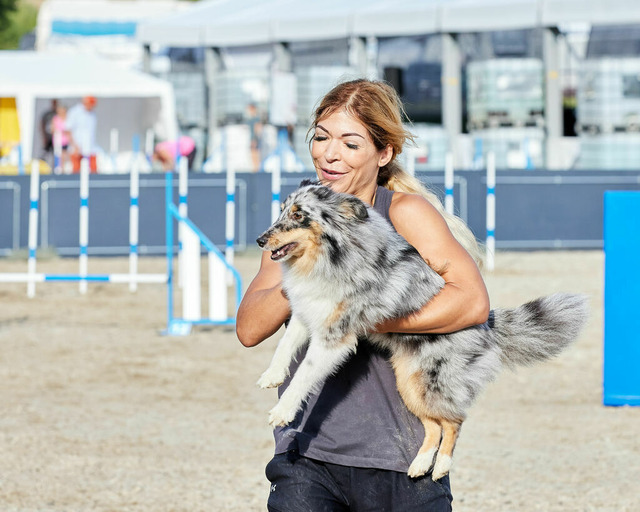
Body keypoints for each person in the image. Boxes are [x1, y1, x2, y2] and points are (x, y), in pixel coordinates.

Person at [236, 78, 490, 511]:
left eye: (350, 144)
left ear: (384, 153)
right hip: (308, 455)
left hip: (399, 459)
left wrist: (360, 316)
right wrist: (305, 273)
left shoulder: (405, 212)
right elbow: (249, 329)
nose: (329, 154)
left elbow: (472, 302)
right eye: (321, 138)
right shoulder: (297, 216)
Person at [66, 96, 98, 173]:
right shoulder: (75, 112)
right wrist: (74, 145)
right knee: (76, 172)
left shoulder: (92, 114)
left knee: (94, 171)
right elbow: (68, 130)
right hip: (77, 147)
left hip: (90, 147)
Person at [50, 104, 70, 172]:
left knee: (64, 155)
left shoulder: (67, 118)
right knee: (58, 155)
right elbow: (52, 129)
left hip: (66, 140)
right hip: (58, 141)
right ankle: (58, 169)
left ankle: (63, 169)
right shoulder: (55, 118)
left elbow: (69, 129)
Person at [246, 102, 262, 172]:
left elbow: (257, 129)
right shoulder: (252, 118)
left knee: (255, 154)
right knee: (253, 153)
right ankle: (255, 168)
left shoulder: (255, 119)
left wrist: (254, 139)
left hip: (254, 139)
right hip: (253, 138)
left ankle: (256, 169)